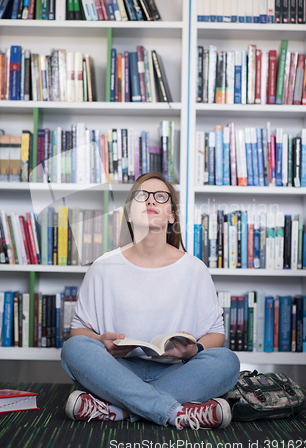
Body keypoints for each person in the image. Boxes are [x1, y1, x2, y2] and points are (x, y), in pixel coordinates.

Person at [61, 172, 240, 430]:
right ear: (130, 214)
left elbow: (216, 334)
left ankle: (116, 409)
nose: (150, 201)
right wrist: (102, 341)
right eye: (141, 196)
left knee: (227, 361)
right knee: (74, 348)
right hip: (116, 371)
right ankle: (177, 413)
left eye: (160, 197)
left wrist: (194, 350)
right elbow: (78, 330)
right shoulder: (102, 267)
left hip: (176, 372)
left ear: (171, 215)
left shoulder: (194, 268)